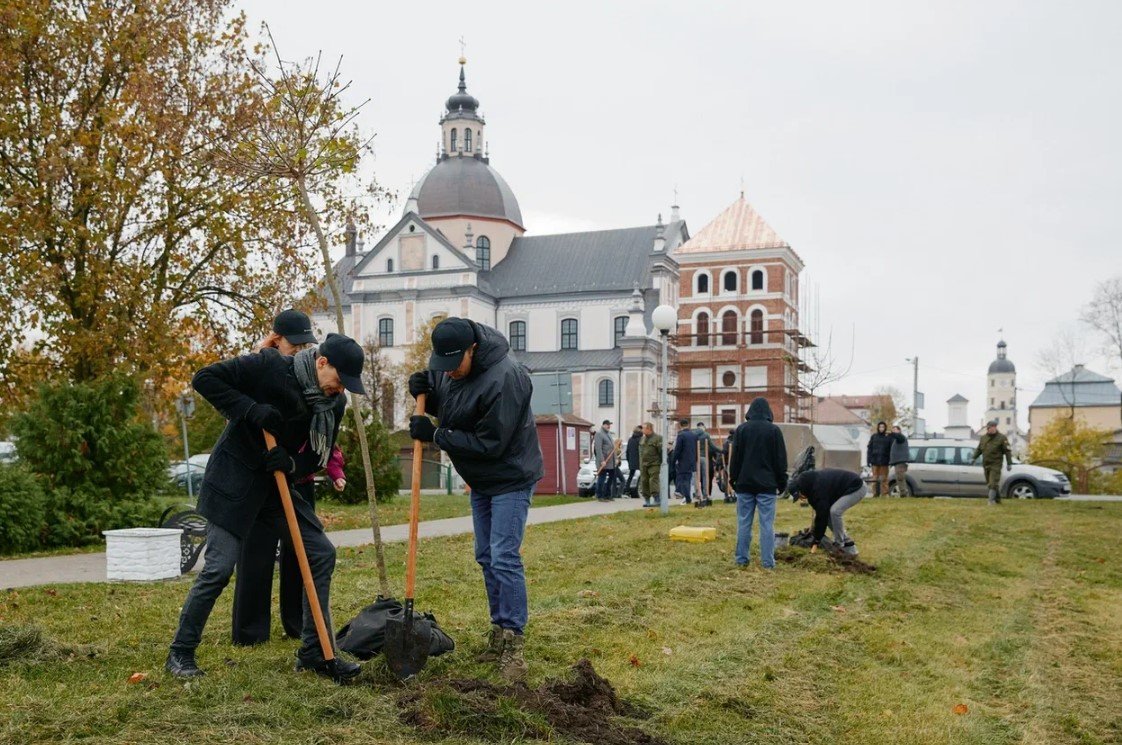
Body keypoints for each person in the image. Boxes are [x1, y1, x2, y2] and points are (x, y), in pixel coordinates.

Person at [165, 333, 366, 682]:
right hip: (233, 481)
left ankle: (315, 653)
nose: (341, 389)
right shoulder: (270, 366)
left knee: (320, 553)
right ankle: (180, 652)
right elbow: (205, 379)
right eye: (339, 380)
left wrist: (291, 464)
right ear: (321, 363)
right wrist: (251, 410)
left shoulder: (333, 405)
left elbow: (318, 456)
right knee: (219, 567)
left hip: (276, 487)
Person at [407, 317, 543, 682]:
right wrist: (423, 391)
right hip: (481, 479)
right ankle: (498, 634)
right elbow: (453, 405)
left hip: (510, 475)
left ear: (473, 350)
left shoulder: (507, 379)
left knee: (503, 556)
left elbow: (490, 442)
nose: (447, 373)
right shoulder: (449, 368)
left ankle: (514, 642)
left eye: (454, 365)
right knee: (485, 556)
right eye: (441, 366)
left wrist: (437, 435)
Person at [232, 309, 346, 645]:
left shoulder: (312, 377)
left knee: (301, 551)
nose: (298, 349)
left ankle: (297, 622)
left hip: (298, 477)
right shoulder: (261, 370)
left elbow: (320, 436)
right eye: (292, 343)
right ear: (275, 339)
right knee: (257, 551)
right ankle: (250, 631)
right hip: (259, 475)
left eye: (304, 343)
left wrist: (296, 464)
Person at [728, 398, 788, 568]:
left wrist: (733, 478)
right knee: (767, 524)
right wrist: (782, 481)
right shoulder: (774, 431)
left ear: (750, 411)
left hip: (745, 484)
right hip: (767, 486)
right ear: (768, 412)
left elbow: (736, 458)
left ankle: (741, 560)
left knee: (744, 523)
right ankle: (768, 562)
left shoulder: (741, 430)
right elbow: (780, 460)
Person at [793, 468, 867, 555]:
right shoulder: (813, 487)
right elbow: (821, 515)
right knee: (829, 514)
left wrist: (816, 540)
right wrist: (816, 536)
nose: (801, 499)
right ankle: (849, 547)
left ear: (803, 488)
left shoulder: (819, 488)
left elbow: (822, 516)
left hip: (857, 487)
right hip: (846, 487)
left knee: (835, 511)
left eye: (800, 496)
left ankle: (838, 544)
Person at [973, 420, 1013, 505]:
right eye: (991, 427)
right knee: (991, 483)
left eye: (994, 427)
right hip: (986, 464)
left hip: (996, 464)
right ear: (988, 428)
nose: (993, 429)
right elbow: (979, 449)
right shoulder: (983, 438)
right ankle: (998, 499)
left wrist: (1009, 463)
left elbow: (1007, 451)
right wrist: (974, 458)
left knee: (993, 482)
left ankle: (991, 501)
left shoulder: (1002, 438)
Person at [671, 418, 698, 504]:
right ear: (688, 425)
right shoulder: (693, 435)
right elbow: (696, 449)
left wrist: (673, 460)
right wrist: (695, 459)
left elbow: (678, 449)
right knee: (688, 479)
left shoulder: (681, 435)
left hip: (683, 461)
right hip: (692, 461)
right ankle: (687, 497)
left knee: (683, 480)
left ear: (680, 425)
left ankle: (687, 497)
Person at [593, 420, 619, 501]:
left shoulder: (609, 434)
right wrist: (602, 460)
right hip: (604, 461)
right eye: (607, 424)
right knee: (602, 478)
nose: (609, 426)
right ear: (603, 425)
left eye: (609, 425)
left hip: (611, 461)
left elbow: (613, 448)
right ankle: (599, 495)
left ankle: (607, 495)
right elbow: (598, 449)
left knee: (611, 477)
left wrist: (616, 458)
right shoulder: (599, 434)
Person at [637, 422, 663, 508]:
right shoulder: (642, 439)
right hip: (643, 464)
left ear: (649, 429)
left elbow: (661, 452)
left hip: (654, 463)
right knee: (644, 481)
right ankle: (647, 500)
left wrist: (662, 463)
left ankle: (656, 499)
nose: (642, 430)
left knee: (653, 480)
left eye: (644, 428)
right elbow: (640, 452)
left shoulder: (658, 438)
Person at [866, 421, 892, 497]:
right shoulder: (874, 436)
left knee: (884, 479)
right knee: (874, 479)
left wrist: (890, 460)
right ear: (878, 428)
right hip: (875, 461)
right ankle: (875, 494)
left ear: (885, 428)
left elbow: (891, 450)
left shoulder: (888, 437)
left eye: (883, 427)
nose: (881, 428)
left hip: (885, 462)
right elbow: (869, 449)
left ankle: (884, 494)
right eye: (880, 427)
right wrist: (868, 460)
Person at [888, 425, 911, 497]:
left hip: (901, 462)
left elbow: (898, 437)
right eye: (893, 429)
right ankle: (903, 493)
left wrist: (892, 434)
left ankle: (904, 493)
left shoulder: (901, 437)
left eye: (895, 429)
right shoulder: (896, 439)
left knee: (900, 478)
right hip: (897, 462)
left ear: (899, 430)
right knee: (899, 478)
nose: (893, 431)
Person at [624, 425, 642, 498]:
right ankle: (643, 490)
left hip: (632, 461)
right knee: (644, 476)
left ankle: (627, 490)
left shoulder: (630, 439)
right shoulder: (641, 439)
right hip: (640, 461)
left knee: (630, 476)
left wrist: (629, 460)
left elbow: (627, 451)